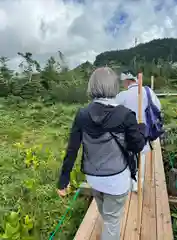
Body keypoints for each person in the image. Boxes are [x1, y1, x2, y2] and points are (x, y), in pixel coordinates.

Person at [57, 67, 147, 240]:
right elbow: (137, 146)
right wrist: (141, 130)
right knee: (112, 221)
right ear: (114, 86)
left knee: (106, 215)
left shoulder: (82, 115)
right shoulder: (125, 115)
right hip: (117, 180)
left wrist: (64, 179)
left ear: (92, 86)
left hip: (94, 178)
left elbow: (72, 149)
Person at [116, 70, 161, 192]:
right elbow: (158, 108)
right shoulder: (148, 91)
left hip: (128, 132)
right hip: (145, 131)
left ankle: (132, 182)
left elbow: (113, 112)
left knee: (129, 156)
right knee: (141, 156)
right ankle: (138, 183)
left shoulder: (122, 95)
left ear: (127, 81)